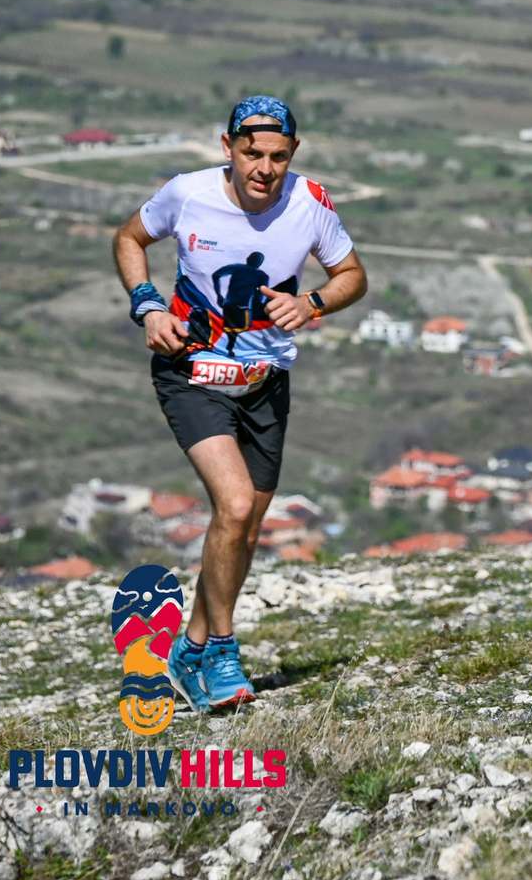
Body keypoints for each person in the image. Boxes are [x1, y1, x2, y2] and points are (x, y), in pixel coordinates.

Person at [111, 96, 367, 711]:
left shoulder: (311, 202)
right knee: (231, 505)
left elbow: (352, 274)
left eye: (278, 157)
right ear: (227, 147)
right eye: (253, 153)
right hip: (190, 374)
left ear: (293, 155)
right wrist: (147, 305)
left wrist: (313, 304)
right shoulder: (188, 193)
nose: (265, 168)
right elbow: (129, 238)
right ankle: (223, 650)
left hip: (263, 382)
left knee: (246, 526)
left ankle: (190, 647)